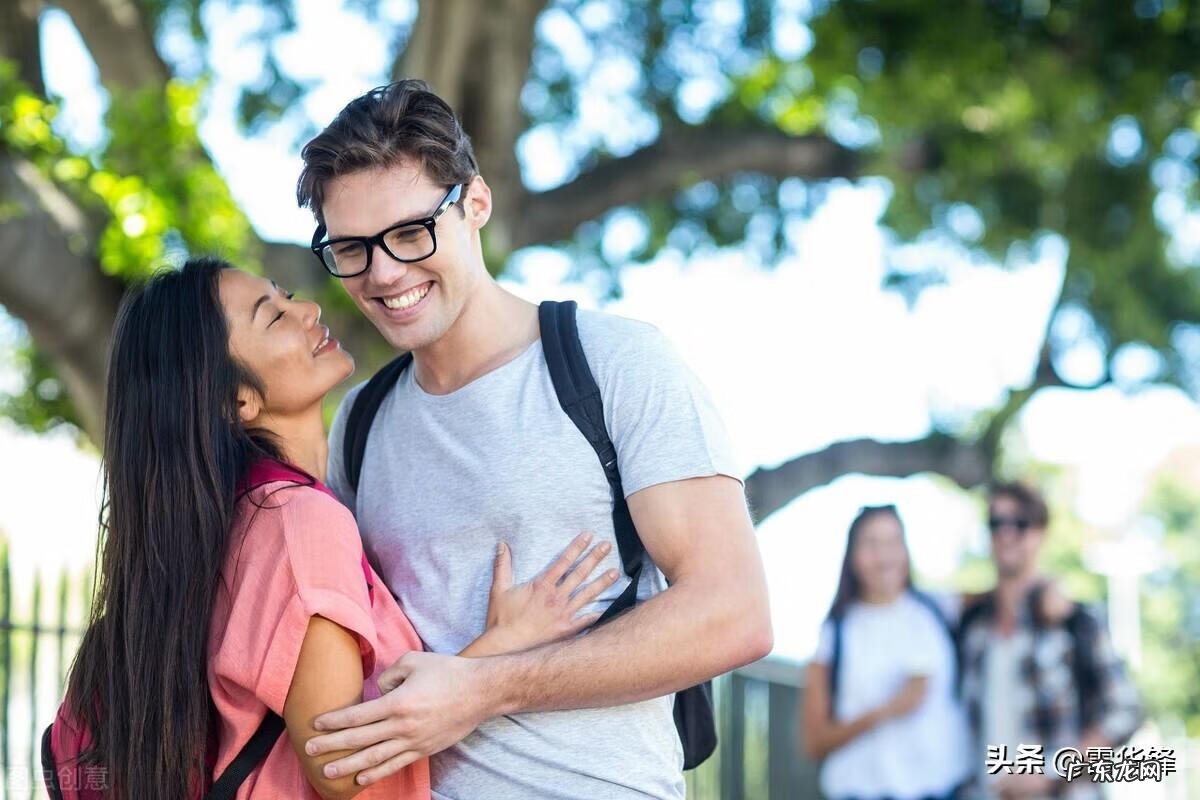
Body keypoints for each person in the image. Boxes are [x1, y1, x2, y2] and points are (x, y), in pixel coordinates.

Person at [296, 79, 773, 799]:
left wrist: (485, 687)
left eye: (409, 233)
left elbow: (735, 613)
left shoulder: (614, 363)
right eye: (353, 248)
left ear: (476, 203)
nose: (385, 273)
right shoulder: (360, 420)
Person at [48, 259, 616, 799]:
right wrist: (502, 646)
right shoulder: (300, 522)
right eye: (274, 317)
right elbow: (339, 763)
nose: (310, 310)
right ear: (236, 399)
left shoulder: (230, 522)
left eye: (286, 296)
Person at [958, 482, 1143, 800]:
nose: (1006, 533)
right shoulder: (973, 628)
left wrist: (1049, 772)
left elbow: (1125, 710)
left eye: (1020, 523)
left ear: (1040, 532)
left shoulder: (1074, 621)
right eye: (996, 523)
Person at [801, 505, 972, 800]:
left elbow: (1005, 596)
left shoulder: (936, 610)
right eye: (871, 544)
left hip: (942, 790)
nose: (884, 556)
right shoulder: (836, 632)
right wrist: (889, 709)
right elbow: (814, 741)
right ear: (852, 556)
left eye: (893, 542)